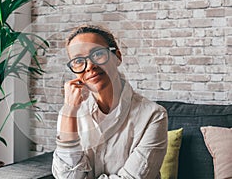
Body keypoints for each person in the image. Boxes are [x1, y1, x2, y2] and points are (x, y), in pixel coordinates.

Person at [52, 24, 168, 179]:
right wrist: (69, 111)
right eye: (78, 60)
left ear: (117, 56)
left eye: (98, 54)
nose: (90, 66)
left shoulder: (153, 115)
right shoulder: (70, 113)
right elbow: (66, 176)